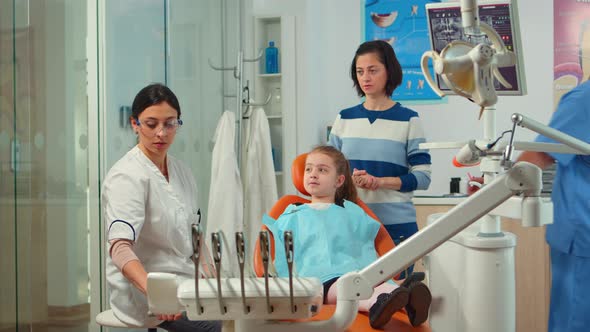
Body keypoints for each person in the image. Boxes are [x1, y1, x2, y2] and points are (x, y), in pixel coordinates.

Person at [263, 146, 432, 329]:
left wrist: (389, 276)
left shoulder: (352, 211)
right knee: (349, 289)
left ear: (339, 180)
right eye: (308, 169)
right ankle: (381, 304)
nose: (313, 174)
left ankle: (403, 297)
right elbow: (273, 247)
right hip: (320, 280)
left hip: (358, 273)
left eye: (322, 170)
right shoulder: (291, 211)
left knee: (368, 284)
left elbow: (375, 241)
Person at [102, 83, 221, 332]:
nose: (161, 133)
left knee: (238, 315)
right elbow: (120, 249)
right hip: (145, 291)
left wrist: (214, 280)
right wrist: (157, 294)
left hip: (184, 282)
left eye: (170, 123)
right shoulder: (127, 176)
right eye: (151, 123)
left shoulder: (182, 172)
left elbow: (195, 235)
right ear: (135, 124)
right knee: (215, 327)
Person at [328, 40, 432, 277]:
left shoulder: (409, 120)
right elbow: (329, 171)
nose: (366, 77)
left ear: (389, 72)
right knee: (354, 304)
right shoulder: (344, 118)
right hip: (350, 227)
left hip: (397, 229)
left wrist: (380, 182)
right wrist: (345, 179)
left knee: (393, 304)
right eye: (360, 71)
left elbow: (423, 177)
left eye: (373, 70)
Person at [517, 79, 590, 332]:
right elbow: (535, 161)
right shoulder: (585, 99)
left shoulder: (584, 98)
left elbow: (529, 165)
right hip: (582, 240)